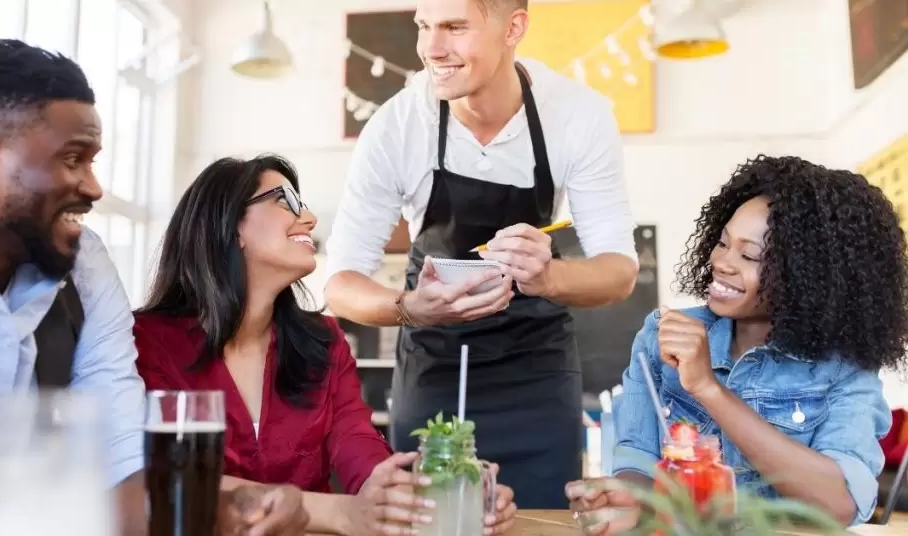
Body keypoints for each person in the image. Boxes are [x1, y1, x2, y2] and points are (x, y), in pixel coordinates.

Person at [0, 39, 306, 536]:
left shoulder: (85, 266)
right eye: (72, 159)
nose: (93, 187)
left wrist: (226, 509)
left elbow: (120, 458)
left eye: (93, 160)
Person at [323, 0, 638, 509]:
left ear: (513, 28)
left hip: (535, 368)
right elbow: (338, 283)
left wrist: (549, 277)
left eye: (454, 27)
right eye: (424, 26)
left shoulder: (577, 115)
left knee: (541, 516)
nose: (431, 48)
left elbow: (620, 272)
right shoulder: (398, 125)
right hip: (434, 363)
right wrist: (408, 308)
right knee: (431, 516)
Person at [133, 155, 517, 536]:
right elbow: (155, 477)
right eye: (285, 201)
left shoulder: (324, 342)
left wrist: (420, 497)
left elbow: (358, 444)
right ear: (232, 225)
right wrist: (339, 512)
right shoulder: (144, 342)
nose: (310, 218)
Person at [567, 155, 908, 533]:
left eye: (749, 255)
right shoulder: (661, 334)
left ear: (809, 278)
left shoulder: (843, 367)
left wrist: (708, 388)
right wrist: (628, 498)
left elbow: (841, 504)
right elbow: (637, 458)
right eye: (723, 243)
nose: (723, 262)